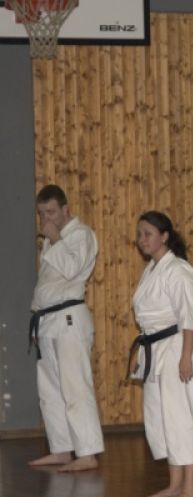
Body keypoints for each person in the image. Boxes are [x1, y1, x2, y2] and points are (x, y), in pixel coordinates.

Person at [131, 211, 193, 497]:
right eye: (139, 234)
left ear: (164, 236)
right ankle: (176, 484)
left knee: (180, 417)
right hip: (157, 348)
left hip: (179, 345)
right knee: (161, 418)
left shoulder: (178, 270)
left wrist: (186, 357)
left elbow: (189, 315)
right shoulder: (153, 269)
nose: (142, 240)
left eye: (148, 234)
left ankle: (192, 490)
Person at [29, 184, 104, 472]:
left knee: (75, 388)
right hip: (49, 321)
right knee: (50, 391)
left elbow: (72, 269)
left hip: (70, 319)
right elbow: (49, 286)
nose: (45, 218)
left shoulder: (81, 234)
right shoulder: (54, 241)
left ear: (65, 209)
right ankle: (61, 449)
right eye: (41, 213)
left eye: (50, 212)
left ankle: (88, 453)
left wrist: (56, 238)